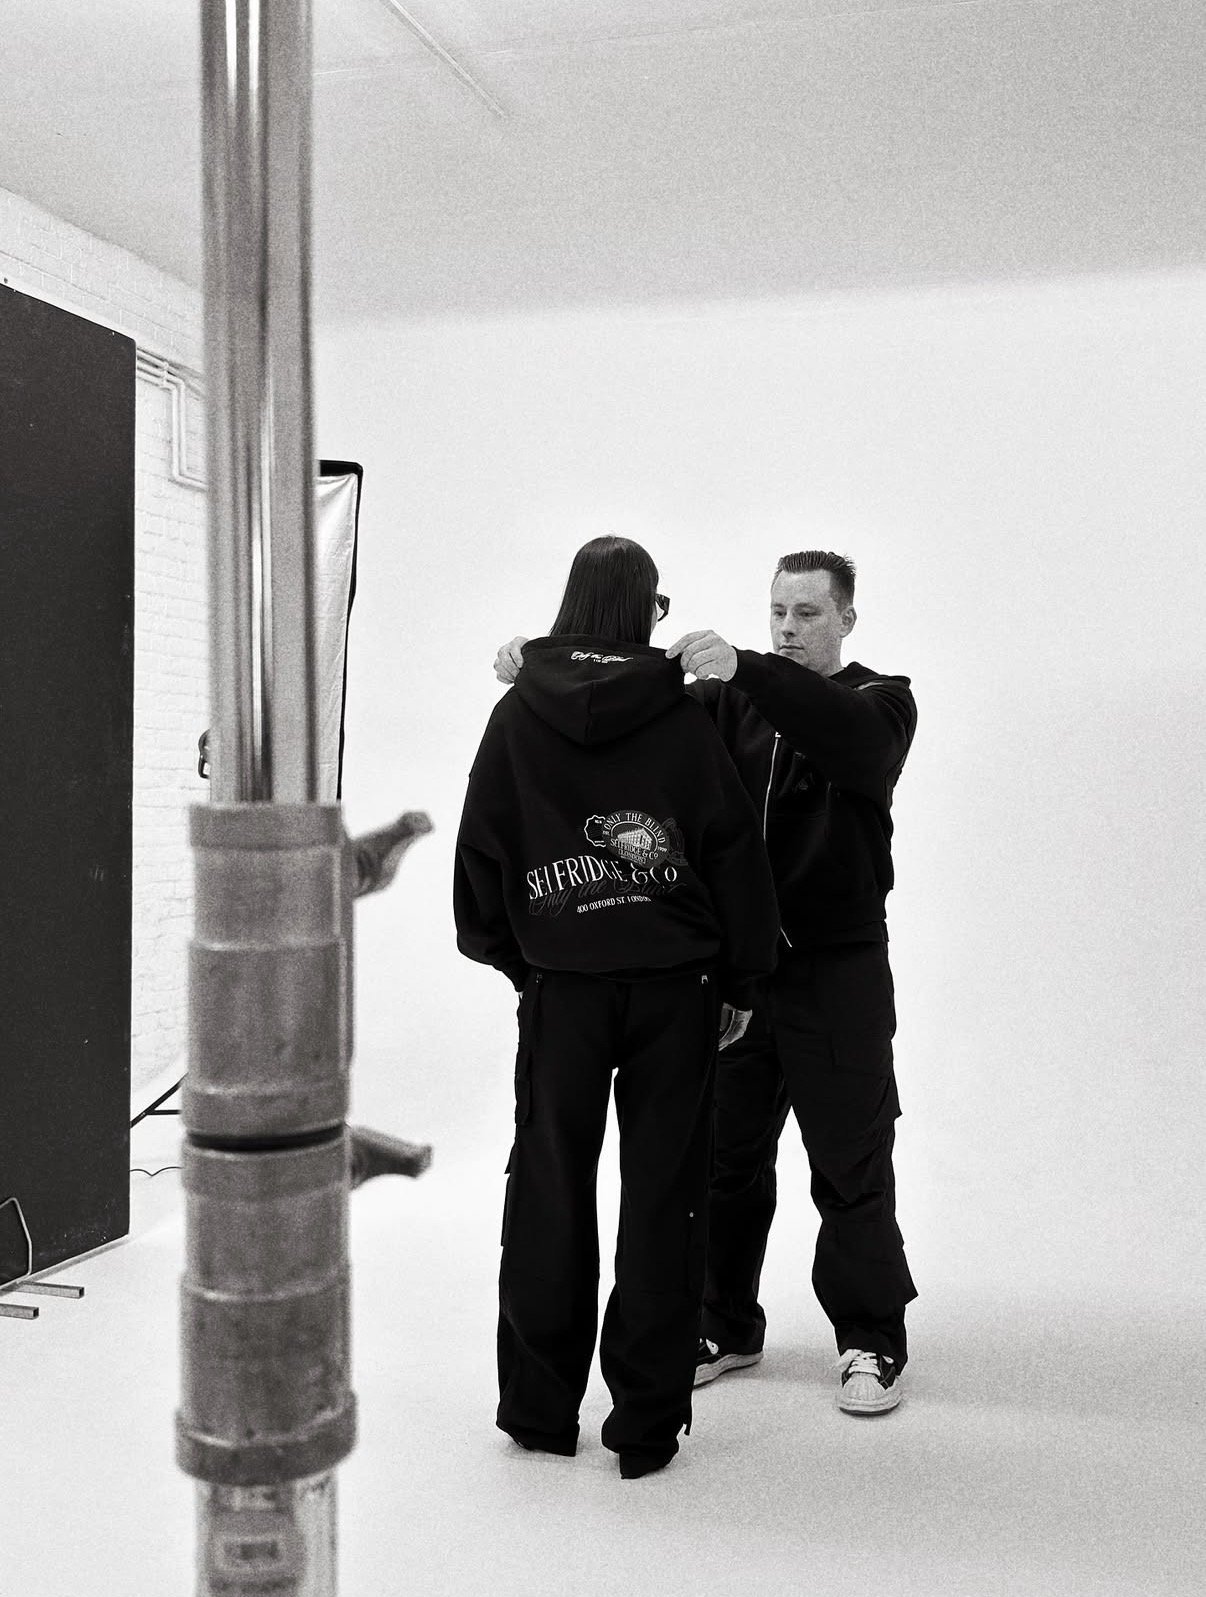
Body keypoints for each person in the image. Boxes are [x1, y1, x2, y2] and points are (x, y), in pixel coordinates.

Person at [494, 550, 918, 1415]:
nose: (790, 628)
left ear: (846, 619)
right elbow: (615, 714)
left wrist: (751, 667)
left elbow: (851, 744)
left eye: (807, 613)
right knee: (726, 1163)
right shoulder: (724, 704)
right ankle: (725, 1322)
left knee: (851, 1161)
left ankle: (870, 1336)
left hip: (837, 974)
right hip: (740, 977)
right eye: (778, 614)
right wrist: (537, 663)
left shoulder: (881, 699)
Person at [456, 536, 779, 1479]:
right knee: (665, 1199)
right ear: (647, 610)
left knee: (549, 1187)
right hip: (677, 993)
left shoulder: (516, 718)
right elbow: (732, 854)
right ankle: (644, 1423)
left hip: (564, 993)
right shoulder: (682, 720)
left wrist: (526, 964)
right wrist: (743, 979)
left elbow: (481, 858)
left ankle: (540, 1409)